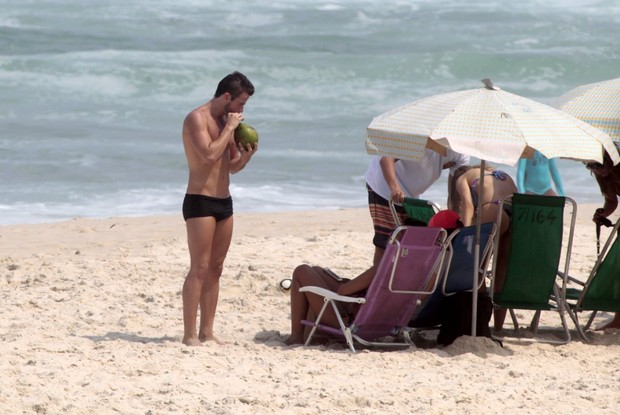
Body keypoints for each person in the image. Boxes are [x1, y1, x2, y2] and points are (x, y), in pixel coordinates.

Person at [181, 71, 257, 346]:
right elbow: (209, 154)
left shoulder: (229, 122)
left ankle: (207, 332)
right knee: (199, 267)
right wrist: (229, 128)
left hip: (224, 201)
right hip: (200, 200)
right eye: (241, 103)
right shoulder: (196, 118)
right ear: (227, 97)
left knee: (216, 268)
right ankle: (189, 334)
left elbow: (230, 166)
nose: (242, 110)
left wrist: (246, 158)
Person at [362, 150, 470, 287]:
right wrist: (394, 188)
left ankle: (397, 284)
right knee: (386, 242)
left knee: (410, 244)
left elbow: (456, 192)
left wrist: (457, 221)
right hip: (383, 187)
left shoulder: (460, 152)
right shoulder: (418, 136)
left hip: (412, 194)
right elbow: (386, 159)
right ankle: (376, 287)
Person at [450, 165, 518, 330]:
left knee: (477, 268)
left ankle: (481, 322)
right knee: (501, 270)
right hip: (515, 213)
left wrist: (465, 235)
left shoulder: (461, 178)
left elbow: (467, 205)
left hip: (493, 208)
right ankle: (498, 327)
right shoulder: (496, 173)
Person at [284, 265, 370, 345]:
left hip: (348, 322)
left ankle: (296, 337)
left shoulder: (379, 268)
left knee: (302, 271)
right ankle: (315, 334)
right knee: (316, 271)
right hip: (369, 319)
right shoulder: (383, 273)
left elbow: (343, 291)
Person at [586, 145, 620, 330]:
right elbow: (612, 200)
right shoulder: (603, 175)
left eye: (598, 165)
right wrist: (603, 214)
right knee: (617, 269)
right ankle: (618, 319)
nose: (596, 170)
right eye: (590, 166)